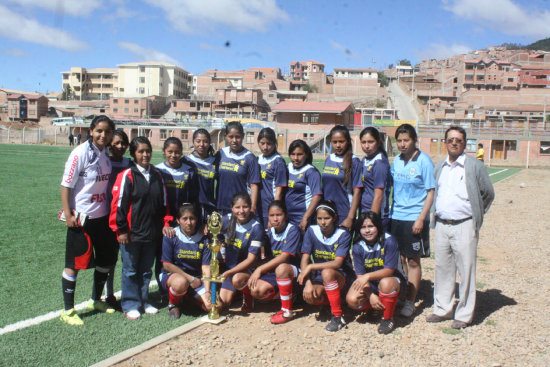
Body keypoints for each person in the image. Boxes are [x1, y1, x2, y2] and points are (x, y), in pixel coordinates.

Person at [426, 126, 494, 329]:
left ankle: (464, 314)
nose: (454, 142)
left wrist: (476, 214)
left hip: (465, 225)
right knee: (443, 269)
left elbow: (488, 193)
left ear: (465, 144)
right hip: (442, 225)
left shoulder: (474, 166)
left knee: (466, 270)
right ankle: (442, 309)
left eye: (459, 140)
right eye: (451, 139)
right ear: (445, 142)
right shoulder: (440, 167)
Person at [59, 115, 117, 326]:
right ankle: (68, 310)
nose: (103, 135)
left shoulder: (105, 153)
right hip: (81, 218)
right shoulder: (80, 153)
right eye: (99, 131)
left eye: (107, 132)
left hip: (102, 217)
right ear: (91, 131)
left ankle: (95, 300)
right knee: (74, 264)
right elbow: (66, 185)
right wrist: (68, 214)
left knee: (105, 260)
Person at [109, 136, 174, 320]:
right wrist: (120, 230)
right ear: (133, 154)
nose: (145, 155)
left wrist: (166, 222)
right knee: (130, 270)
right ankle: (130, 303)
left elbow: (164, 204)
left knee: (146, 270)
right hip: (131, 234)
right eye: (140, 151)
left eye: (148, 151)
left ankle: (144, 300)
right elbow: (118, 205)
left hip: (152, 233)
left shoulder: (157, 175)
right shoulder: (127, 176)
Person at [390, 123, 435, 318]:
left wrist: (421, 218)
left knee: (413, 261)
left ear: (414, 140)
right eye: (399, 140)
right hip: (396, 216)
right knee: (400, 259)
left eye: (406, 140)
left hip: (414, 218)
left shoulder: (424, 161)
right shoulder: (397, 161)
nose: (402, 144)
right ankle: (403, 293)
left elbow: (431, 192)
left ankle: (411, 301)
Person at [297, 200, 354, 332]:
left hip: (342, 276)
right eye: (319, 218)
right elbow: (304, 258)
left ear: (334, 218)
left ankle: (337, 315)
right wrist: (308, 283)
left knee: (327, 272)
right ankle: (330, 304)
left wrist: (311, 268)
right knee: (311, 295)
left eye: (327, 218)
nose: (323, 222)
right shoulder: (311, 231)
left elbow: (337, 263)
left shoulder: (343, 234)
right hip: (321, 277)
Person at [346, 212, 406, 334]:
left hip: (392, 281)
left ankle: (387, 318)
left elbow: (389, 271)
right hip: (372, 285)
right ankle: (375, 308)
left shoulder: (389, 240)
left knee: (386, 283)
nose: (367, 231)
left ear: (378, 226)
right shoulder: (358, 247)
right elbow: (360, 276)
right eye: (363, 227)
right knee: (352, 299)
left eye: (371, 226)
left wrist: (367, 276)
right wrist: (370, 295)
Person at [247, 200, 302, 324]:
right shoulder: (269, 233)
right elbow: (262, 257)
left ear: (286, 215)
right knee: (256, 290)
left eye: (279, 215)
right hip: (275, 272)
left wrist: (259, 270)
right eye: (272, 216)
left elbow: (284, 258)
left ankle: (287, 310)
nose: (275, 219)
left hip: (294, 271)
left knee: (282, 268)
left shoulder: (292, 230)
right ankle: (288, 296)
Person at [156, 137, 196, 293]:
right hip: (163, 220)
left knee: (180, 253)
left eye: (177, 152)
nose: (173, 155)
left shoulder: (188, 171)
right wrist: (163, 223)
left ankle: (183, 285)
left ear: (182, 152)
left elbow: (193, 197)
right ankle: (162, 289)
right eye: (170, 152)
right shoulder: (158, 170)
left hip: (183, 220)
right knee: (161, 255)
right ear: (164, 152)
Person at [160, 203, 212, 319]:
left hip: (197, 279)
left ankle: (188, 297)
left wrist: (207, 291)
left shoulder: (203, 238)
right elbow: (167, 265)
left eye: (192, 218)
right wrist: (190, 279)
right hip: (174, 276)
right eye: (185, 219)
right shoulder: (171, 235)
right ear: (178, 220)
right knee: (181, 283)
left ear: (196, 219)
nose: (189, 222)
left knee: (213, 306)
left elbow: (206, 267)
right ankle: (174, 303)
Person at [218, 192, 264, 312]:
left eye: (245, 207)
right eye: (237, 207)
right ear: (232, 208)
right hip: (230, 268)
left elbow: (251, 259)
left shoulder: (256, 227)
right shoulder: (227, 220)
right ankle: (238, 292)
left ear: (250, 207)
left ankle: (248, 297)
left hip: (246, 269)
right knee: (223, 303)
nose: (241, 211)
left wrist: (229, 272)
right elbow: (211, 229)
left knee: (237, 279)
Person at [104, 129, 131, 308]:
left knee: (127, 258)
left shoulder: (130, 163)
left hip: (124, 219)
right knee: (108, 258)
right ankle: (108, 294)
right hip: (105, 215)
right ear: (109, 145)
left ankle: (129, 294)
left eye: (123, 143)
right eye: (116, 143)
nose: (120, 146)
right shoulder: (103, 162)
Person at [215, 121, 261, 217]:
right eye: (231, 137)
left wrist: (252, 207)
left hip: (240, 209)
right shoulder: (221, 154)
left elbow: (254, 185)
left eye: (238, 137)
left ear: (243, 136)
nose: (234, 140)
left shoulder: (250, 158)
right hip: (221, 207)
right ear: (225, 136)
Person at [321, 125, 362, 231]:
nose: (338, 145)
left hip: (344, 214)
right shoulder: (329, 159)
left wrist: (350, 217)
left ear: (348, 141)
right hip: (326, 214)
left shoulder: (354, 162)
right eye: (335, 142)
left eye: (341, 141)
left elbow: (357, 192)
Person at [359, 127, 392, 232]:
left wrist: (372, 220)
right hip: (365, 213)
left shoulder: (379, 163)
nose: (367, 146)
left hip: (376, 217)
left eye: (370, 142)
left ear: (378, 143)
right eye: (363, 142)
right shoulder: (365, 159)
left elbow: (379, 195)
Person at [285, 139, 323, 232]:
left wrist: (305, 218)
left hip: (301, 217)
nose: (296, 158)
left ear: (306, 154)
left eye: (299, 154)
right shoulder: (287, 168)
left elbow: (317, 196)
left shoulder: (311, 172)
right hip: (287, 216)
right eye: (293, 154)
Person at [256, 128, 287, 227]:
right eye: (262, 143)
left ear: (274, 143)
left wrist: (273, 215)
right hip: (256, 207)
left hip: (268, 208)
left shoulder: (278, 162)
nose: (265, 147)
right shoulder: (257, 159)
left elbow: (279, 190)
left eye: (269, 143)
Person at [184, 129, 217, 222]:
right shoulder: (186, 161)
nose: (201, 144)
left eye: (205, 141)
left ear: (210, 143)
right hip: (191, 207)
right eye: (198, 141)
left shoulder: (215, 161)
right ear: (193, 142)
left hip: (209, 207)